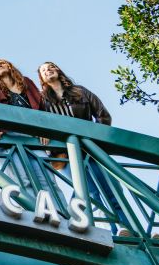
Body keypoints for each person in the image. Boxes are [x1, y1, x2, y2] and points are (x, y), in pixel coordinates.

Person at [38, 61, 132, 236]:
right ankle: (108, 232)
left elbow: (103, 115)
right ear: (42, 78)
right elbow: (38, 121)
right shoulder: (43, 100)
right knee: (90, 192)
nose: (48, 70)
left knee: (111, 191)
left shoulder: (79, 92)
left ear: (58, 70)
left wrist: (96, 141)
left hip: (91, 150)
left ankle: (130, 230)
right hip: (65, 156)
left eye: (50, 67)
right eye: (44, 70)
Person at [0, 59, 49, 193]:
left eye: (2, 63)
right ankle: (31, 212)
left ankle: (59, 212)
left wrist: (44, 130)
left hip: (32, 135)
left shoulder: (26, 82)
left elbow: (41, 107)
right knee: (21, 179)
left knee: (47, 178)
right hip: (7, 136)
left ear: (9, 66)